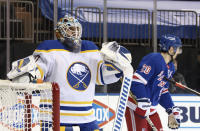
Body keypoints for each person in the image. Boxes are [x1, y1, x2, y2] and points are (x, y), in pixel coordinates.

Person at [7, 15, 133, 131]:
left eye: (77, 29)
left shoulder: (89, 48)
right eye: (70, 29)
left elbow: (102, 76)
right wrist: (28, 76)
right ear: (59, 32)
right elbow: (37, 72)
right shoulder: (49, 48)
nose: (75, 33)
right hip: (55, 116)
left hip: (86, 116)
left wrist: (116, 65)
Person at [125, 34, 182, 131]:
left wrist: (171, 109)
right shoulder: (153, 59)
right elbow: (136, 81)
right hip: (137, 108)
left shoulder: (171, 67)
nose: (179, 52)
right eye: (178, 49)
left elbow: (162, 90)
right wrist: (142, 99)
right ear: (171, 49)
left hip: (152, 111)